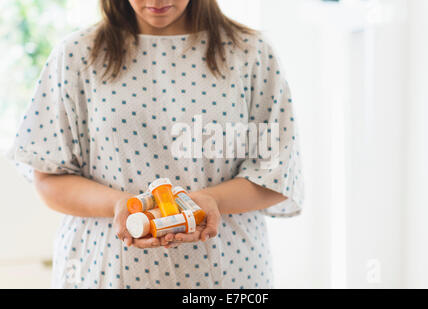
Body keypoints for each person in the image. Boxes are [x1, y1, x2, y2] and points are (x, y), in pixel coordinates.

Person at [8, 0, 303, 288]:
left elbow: (276, 174)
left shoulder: (251, 53)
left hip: (228, 271)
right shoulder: (76, 55)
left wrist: (211, 201)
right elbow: (47, 178)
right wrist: (117, 205)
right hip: (104, 270)